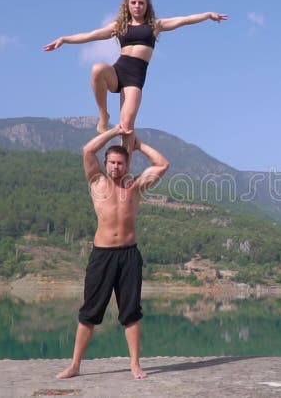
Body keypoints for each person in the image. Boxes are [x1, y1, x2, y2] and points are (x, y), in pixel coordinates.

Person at [43, 0, 227, 152]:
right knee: (97, 69)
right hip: (118, 70)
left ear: (147, 6)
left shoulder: (155, 25)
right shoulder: (119, 26)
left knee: (127, 125)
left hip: (135, 78)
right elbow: (92, 35)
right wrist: (64, 39)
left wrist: (208, 15)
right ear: (128, 5)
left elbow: (184, 20)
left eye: (141, 3)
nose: (137, 6)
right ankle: (103, 115)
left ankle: (125, 169)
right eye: (133, 3)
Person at [56, 123, 170, 380]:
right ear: (105, 164)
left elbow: (163, 164)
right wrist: (115, 130)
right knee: (89, 312)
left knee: (130, 311)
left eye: (121, 163)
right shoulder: (97, 182)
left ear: (127, 165)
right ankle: (75, 365)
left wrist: (138, 144)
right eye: (112, 162)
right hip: (102, 255)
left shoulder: (136, 187)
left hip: (129, 255)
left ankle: (135, 365)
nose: (116, 167)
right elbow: (87, 150)